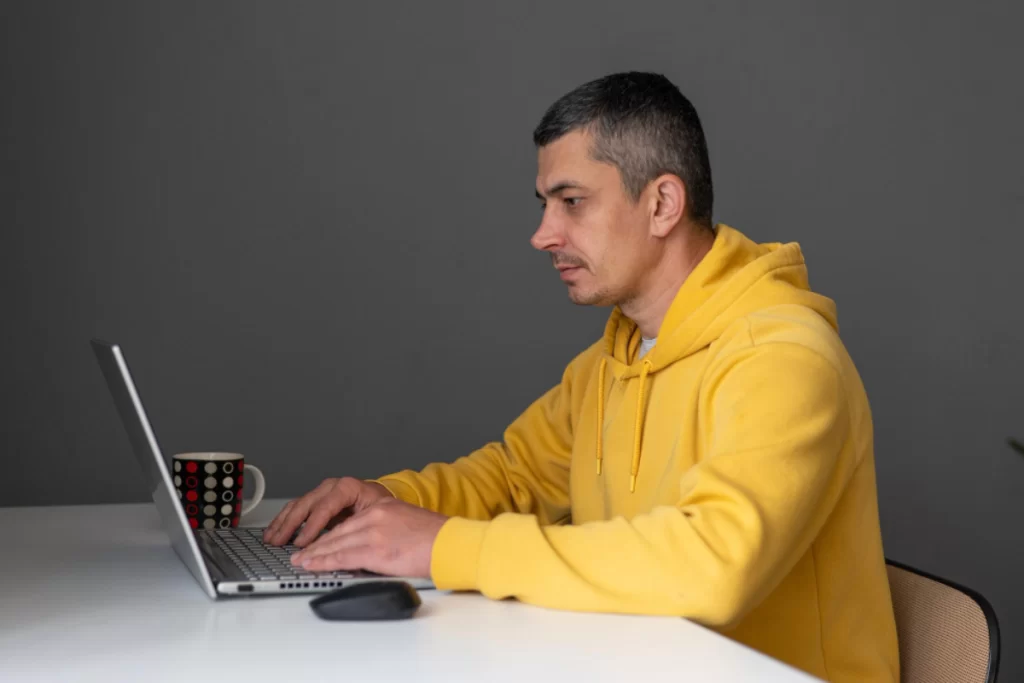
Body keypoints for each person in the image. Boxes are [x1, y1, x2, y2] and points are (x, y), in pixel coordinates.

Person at [265, 72, 899, 682]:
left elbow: (714, 565)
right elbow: (512, 478)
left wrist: (445, 548)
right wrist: (384, 503)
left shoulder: (782, 356)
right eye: (545, 204)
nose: (544, 234)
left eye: (572, 202)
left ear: (661, 204)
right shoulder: (609, 364)